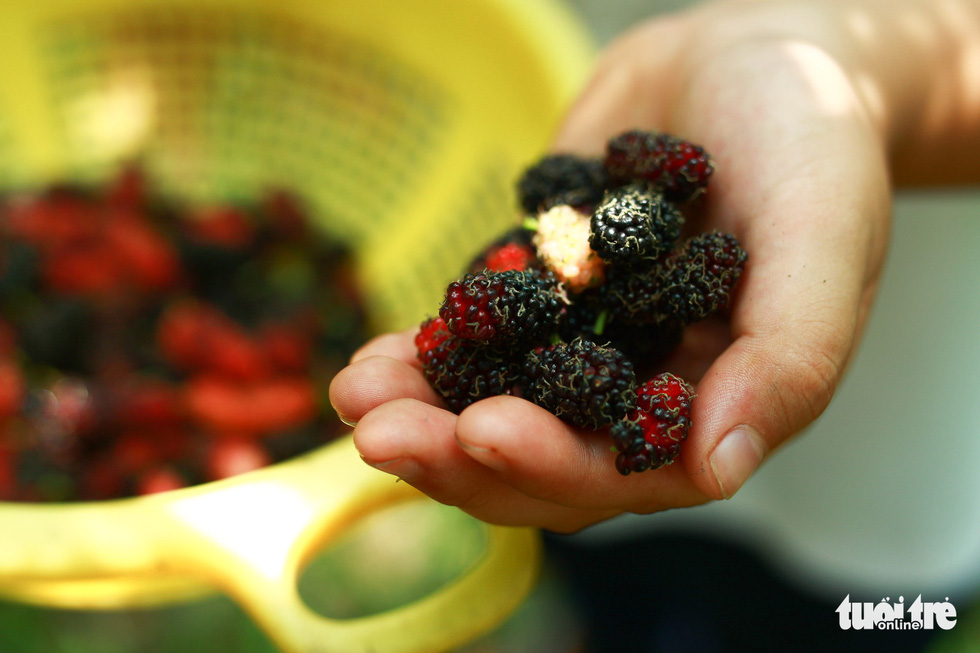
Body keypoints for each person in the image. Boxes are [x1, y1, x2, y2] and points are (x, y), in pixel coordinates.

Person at [328, 0, 980, 535]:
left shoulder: (643, 272)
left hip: (884, 455)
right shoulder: (573, 276)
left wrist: (854, 66)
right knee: (580, 535)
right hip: (582, 493)